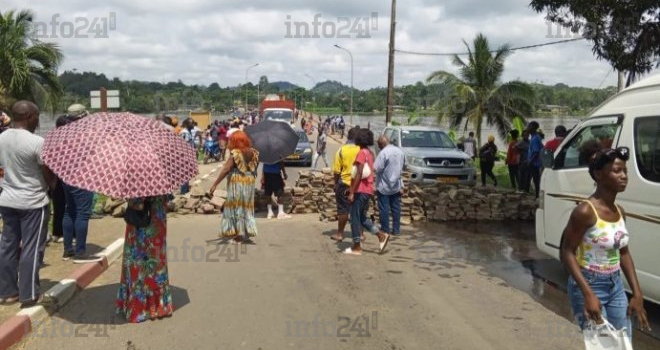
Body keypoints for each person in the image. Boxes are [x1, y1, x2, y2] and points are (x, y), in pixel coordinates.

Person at [560, 144, 650, 338]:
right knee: (603, 344)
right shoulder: (584, 212)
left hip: (615, 285)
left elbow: (623, 252)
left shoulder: (620, 212)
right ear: (599, 174)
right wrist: (588, 294)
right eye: (617, 171)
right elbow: (567, 252)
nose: (624, 175)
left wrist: (637, 293)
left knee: (623, 342)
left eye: (625, 171)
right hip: (589, 283)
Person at [0, 101, 55, 308]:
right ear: (30, 116)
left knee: (8, 245)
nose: (38, 121)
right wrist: (53, 185)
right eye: (37, 116)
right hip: (32, 202)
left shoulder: (1, 138)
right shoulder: (36, 142)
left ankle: (7, 293)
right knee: (32, 247)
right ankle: (29, 294)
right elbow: (46, 172)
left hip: (7, 199)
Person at [116, 195, 173, 322]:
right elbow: (168, 199)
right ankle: (158, 306)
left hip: (140, 225)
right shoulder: (161, 178)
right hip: (158, 222)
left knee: (138, 263)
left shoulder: (134, 177)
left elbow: (137, 205)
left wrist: (134, 200)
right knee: (156, 263)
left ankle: (138, 306)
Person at [343, 129, 390, 255]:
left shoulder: (361, 153)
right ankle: (381, 235)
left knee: (354, 218)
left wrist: (352, 191)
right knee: (362, 217)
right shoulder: (369, 153)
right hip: (367, 190)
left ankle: (356, 247)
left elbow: (359, 173)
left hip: (360, 190)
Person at [209, 131, 259, 244]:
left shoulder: (235, 153)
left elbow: (226, 169)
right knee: (246, 206)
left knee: (236, 206)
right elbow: (255, 168)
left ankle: (238, 236)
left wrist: (215, 184)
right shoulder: (254, 152)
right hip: (249, 181)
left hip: (237, 181)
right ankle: (245, 232)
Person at [330, 127, 361, 242]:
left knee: (343, 210)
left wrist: (335, 184)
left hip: (345, 183)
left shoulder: (341, 150)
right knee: (358, 210)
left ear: (348, 136)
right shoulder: (362, 150)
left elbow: (337, 171)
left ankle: (340, 233)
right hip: (359, 184)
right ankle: (360, 234)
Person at [374, 135, 405, 237]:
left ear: (381, 144)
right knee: (396, 208)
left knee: (384, 209)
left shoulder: (383, 153)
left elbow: (377, 169)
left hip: (384, 186)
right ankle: (396, 230)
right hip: (396, 185)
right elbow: (403, 167)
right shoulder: (400, 151)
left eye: (378, 145)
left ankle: (385, 230)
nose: (378, 147)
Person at [527, 121, 543, 198]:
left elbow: (536, 152)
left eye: (529, 127)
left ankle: (537, 196)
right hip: (533, 162)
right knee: (534, 179)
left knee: (536, 180)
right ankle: (536, 194)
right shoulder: (534, 137)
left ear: (533, 128)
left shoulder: (535, 138)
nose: (528, 128)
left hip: (535, 163)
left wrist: (530, 161)